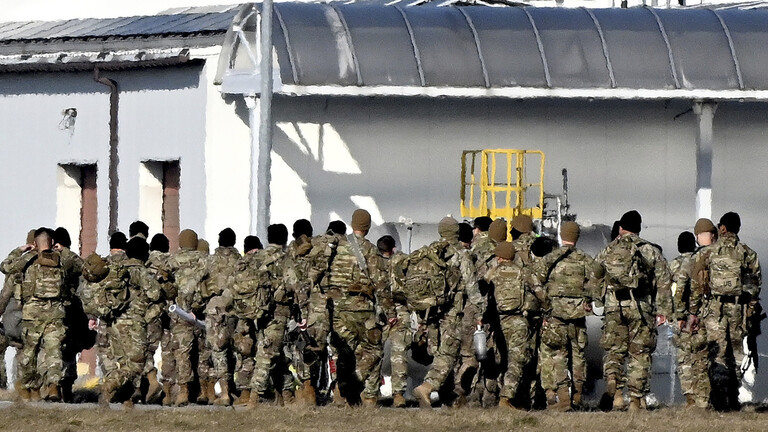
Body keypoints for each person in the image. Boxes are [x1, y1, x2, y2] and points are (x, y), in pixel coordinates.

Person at [595, 210, 672, 411]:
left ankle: (615, 387)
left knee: (614, 350)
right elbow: (664, 281)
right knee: (639, 353)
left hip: (614, 308)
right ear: (639, 228)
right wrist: (663, 310)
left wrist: (598, 300)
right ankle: (636, 401)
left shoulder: (608, 250)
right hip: (641, 308)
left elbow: (595, 275)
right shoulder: (650, 250)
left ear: (620, 228)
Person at [691, 212, 761, 411]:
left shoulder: (708, 252)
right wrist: (751, 312)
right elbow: (755, 287)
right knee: (736, 353)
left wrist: (694, 311)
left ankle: (719, 397)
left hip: (715, 308)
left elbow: (697, 283)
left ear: (722, 228)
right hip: (739, 308)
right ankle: (733, 395)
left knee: (718, 352)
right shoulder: (748, 253)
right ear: (738, 228)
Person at [322, 210, 392, 407]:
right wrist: (390, 311)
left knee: (342, 353)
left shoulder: (336, 248)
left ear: (352, 224)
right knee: (373, 350)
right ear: (367, 227)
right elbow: (381, 284)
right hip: (362, 309)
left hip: (337, 309)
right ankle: (357, 383)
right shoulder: (370, 250)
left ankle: (339, 392)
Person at [411, 217, 482, 408]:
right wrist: (480, 311)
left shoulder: (429, 252)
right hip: (451, 311)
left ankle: (447, 396)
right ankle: (427, 387)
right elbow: (471, 286)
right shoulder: (461, 254)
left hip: (430, 312)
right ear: (456, 232)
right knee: (449, 354)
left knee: (439, 353)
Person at [531, 222, 602, 411]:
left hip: (555, 315)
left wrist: (545, 302)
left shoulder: (550, 259)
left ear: (562, 235)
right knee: (578, 356)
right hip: (578, 317)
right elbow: (598, 280)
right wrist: (588, 299)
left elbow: (533, 280)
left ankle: (563, 398)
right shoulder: (586, 259)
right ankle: (577, 397)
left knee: (557, 355)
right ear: (577, 237)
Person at [245, 224, 295, 407]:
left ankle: (286, 395)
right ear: (285, 238)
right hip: (278, 313)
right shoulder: (286, 259)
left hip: (257, 312)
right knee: (267, 355)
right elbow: (292, 285)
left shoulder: (256, 258)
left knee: (276, 353)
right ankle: (254, 397)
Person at [484, 241, 538, 409]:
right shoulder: (523, 272)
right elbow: (539, 292)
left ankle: (493, 397)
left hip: (497, 323)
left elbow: (481, 294)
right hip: (518, 321)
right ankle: (506, 397)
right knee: (517, 360)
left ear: (499, 257)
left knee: (500, 360)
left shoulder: (491, 274)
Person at [671, 221, 714, 409]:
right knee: (702, 357)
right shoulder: (704, 259)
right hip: (704, 313)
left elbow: (675, 290)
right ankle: (704, 397)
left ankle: (690, 397)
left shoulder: (675, 265)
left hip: (684, 315)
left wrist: (677, 314)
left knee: (684, 357)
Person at [167, 229, 210, 406]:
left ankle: (184, 391)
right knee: (203, 353)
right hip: (202, 313)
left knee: (182, 353)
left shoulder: (172, 260)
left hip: (180, 314)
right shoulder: (205, 260)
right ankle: (204, 390)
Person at [204, 228, 240, 406]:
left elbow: (196, 284)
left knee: (218, 351)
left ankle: (225, 393)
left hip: (215, 310)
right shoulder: (240, 261)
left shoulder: (210, 261)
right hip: (235, 310)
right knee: (235, 350)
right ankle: (235, 389)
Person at [378, 235, 410, 408]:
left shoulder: (371, 262)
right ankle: (398, 394)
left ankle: (371, 392)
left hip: (379, 312)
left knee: (374, 352)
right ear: (393, 248)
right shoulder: (402, 261)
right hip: (399, 311)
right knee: (399, 352)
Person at [146, 234, 176, 406]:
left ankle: (146, 385)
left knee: (146, 351)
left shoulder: (147, 262)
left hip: (151, 313)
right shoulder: (172, 262)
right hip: (171, 313)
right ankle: (168, 394)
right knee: (169, 353)